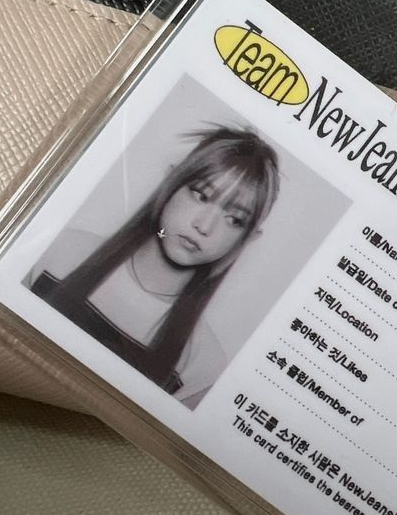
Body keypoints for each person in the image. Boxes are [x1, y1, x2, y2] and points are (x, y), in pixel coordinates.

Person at [29, 126, 280, 409]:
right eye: (201, 194)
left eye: (234, 219)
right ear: (172, 182)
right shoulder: (58, 251)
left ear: (248, 238)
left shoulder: (202, 363)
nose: (204, 225)